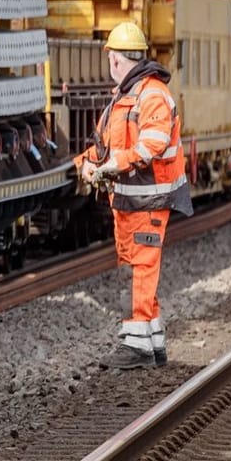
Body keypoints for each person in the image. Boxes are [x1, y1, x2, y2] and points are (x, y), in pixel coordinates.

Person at [75, 20, 192, 369]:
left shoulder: (151, 93)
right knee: (136, 266)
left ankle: (136, 345)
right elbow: (104, 144)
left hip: (148, 199)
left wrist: (112, 166)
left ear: (114, 59)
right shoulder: (125, 96)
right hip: (130, 200)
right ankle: (152, 341)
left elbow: (151, 146)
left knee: (140, 268)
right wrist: (86, 163)